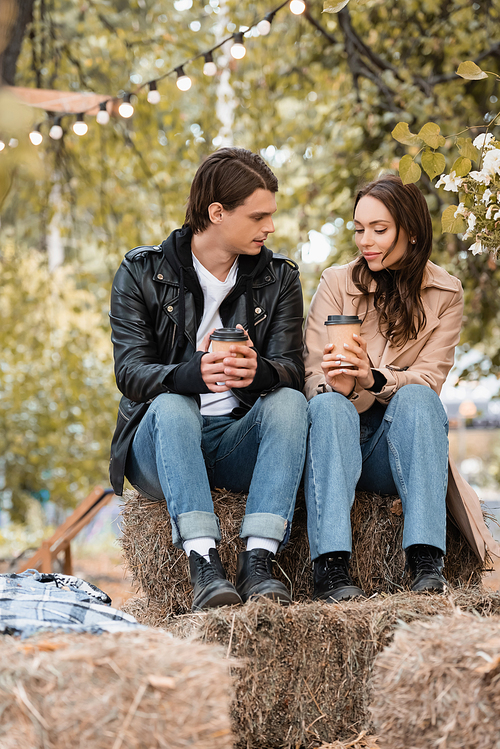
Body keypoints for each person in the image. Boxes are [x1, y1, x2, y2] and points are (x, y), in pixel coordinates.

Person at [109, 148, 308, 611]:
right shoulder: (141, 272)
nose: (270, 227)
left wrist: (259, 372)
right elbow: (131, 374)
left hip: (237, 440)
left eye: (271, 216)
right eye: (259, 216)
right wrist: (190, 373)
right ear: (216, 213)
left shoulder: (279, 279)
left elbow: (293, 371)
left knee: (290, 402)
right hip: (161, 445)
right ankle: (204, 563)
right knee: (174, 402)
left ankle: (258, 560)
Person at [303, 173, 500, 602]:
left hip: (397, 450)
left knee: (418, 397)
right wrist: (337, 385)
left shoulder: (446, 293)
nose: (365, 241)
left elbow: (430, 378)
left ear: (410, 232)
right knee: (328, 407)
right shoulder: (337, 283)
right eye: (359, 229)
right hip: (338, 442)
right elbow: (311, 376)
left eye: (379, 229)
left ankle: (426, 560)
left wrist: (374, 377)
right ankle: (331, 568)